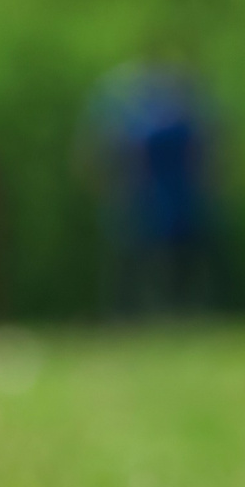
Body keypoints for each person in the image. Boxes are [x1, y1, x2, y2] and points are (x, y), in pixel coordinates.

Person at [81, 63, 217, 315]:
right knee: (147, 256)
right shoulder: (159, 122)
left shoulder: (144, 123)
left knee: (159, 255)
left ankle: (158, 308)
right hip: (151, 198)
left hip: (153, 198)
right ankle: (149, 309)